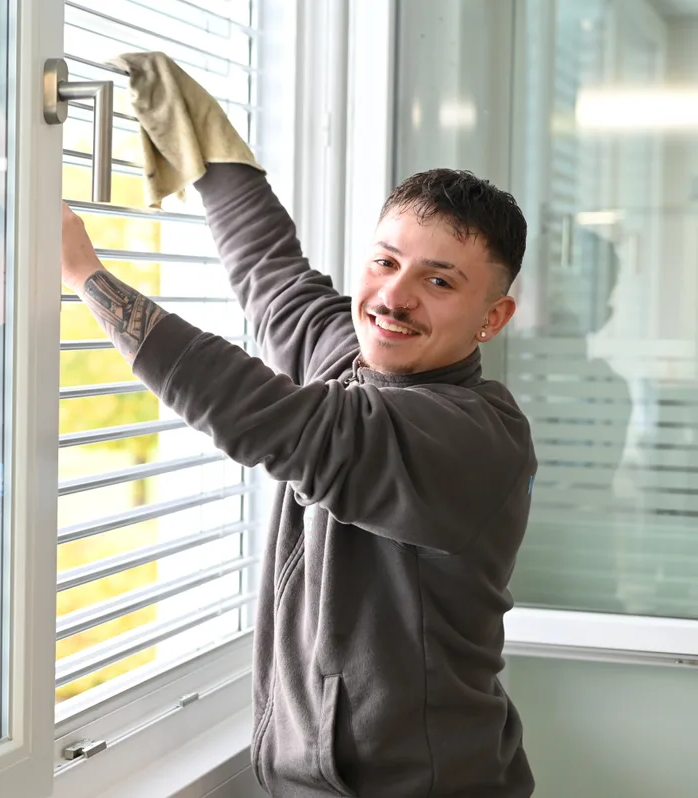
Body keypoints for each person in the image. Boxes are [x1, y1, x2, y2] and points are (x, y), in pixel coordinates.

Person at [60, 163, 536, 798]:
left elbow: (271, 419)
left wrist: (84, 275)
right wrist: (210, 158)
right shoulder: (351, 361)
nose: (394, 298)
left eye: (439, 280)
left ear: (492, 317)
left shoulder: (474, 439)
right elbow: (274, 277)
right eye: (385, 263)